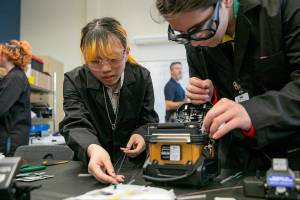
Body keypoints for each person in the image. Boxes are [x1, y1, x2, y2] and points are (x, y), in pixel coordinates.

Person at [155, 0, 300, 170]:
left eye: (199, 28)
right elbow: (214, 103)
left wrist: (252, 112)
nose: (193, 43)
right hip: (236, 162)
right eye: (181, 34)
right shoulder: (195, 40)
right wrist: (208, 95)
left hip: (291, 156)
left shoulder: (284, 7)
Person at [59, 17, 159, 184]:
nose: (105, 69)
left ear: (126, 53)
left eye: (113, 59)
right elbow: (75, 123)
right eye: (95, 62)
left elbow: (148, 119)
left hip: (132, 166)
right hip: (91, 166)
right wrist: (93, 149)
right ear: (85, 58)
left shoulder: (142, 76)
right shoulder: (74, 80)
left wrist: (141, 135)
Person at [0, 40, 32, 156]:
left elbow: (1, 107)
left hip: (11, 139)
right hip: (12, 138)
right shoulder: (14, 76)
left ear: (6, 56)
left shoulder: (15, 78)